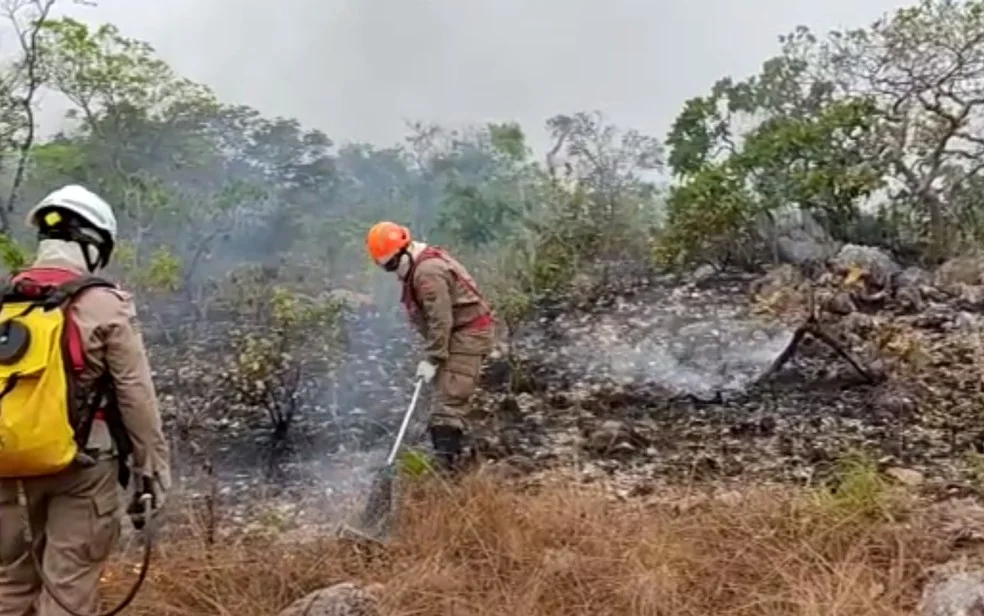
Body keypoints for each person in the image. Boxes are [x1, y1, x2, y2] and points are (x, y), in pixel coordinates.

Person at [0, 185, 170, 616]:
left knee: (9, 585)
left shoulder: (6, 301)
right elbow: (136, 396)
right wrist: (151, 471)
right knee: (68, 586)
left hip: (6, 464)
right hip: (84, 465)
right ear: (96, 246)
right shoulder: (105, 304)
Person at [366, 221, 496, 472]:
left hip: (467, 336)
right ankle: (458, 455)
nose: (392, 271)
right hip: (457, 334)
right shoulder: (420, 264)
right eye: (385, 267)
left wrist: (434, 357)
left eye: (392, 264)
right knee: (442, 397)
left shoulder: (428, 273)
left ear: (404, 251)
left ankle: (447, 473)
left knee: (448, 405)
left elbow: (441, 319)